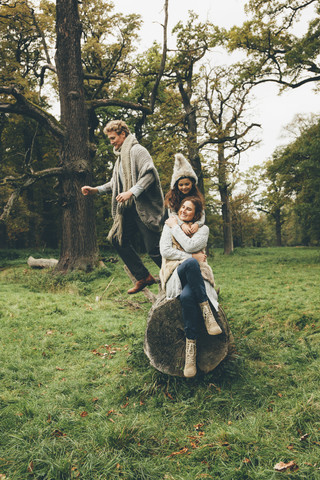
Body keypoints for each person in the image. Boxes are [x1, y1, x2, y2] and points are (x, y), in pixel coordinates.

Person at [81, 120, 164, 294]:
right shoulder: (120, 159)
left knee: (154, 249)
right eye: (109, 139)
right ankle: (143, 277)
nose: (111, 142)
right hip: (128, 209)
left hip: (143, 208)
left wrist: (131, 192)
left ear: (123, 134)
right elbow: (115, 183)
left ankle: (179, 278)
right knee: (117, 239)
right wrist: (96, 190)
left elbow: (149, 175)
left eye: (113, 138)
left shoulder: (137, 151)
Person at [159, 196, 222, 378]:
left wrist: (175, 229)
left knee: (187, 297)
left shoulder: (203, 230)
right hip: (176, 274)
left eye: (189, 209)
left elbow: (190, 243)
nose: (183, 211)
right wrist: (191, 257)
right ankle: (206, 310)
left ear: (196, 214)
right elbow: (165, 251)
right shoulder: (168, 225)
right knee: (191, 263)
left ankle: (190, 349)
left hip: (196, 279)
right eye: (183, 207)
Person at [164, 153, 205, 236]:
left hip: (193, 226)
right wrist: (182, 224)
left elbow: (202, 213)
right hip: (176, 225)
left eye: (187, 184)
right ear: (176, 185)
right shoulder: (172, 197)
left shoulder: (197, 197)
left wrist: (197, 224)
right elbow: (172, 214)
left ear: (192, 184)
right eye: (181, 185)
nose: (184, 187)